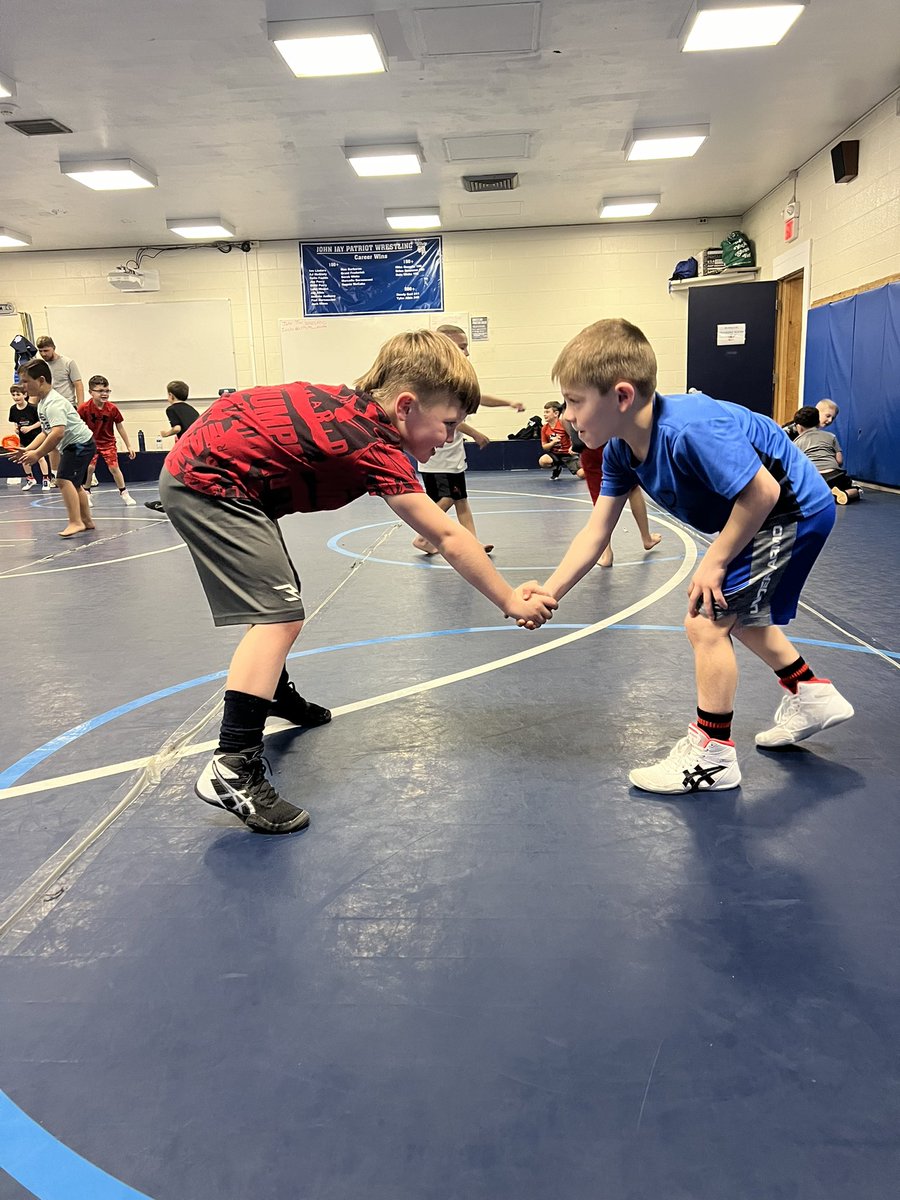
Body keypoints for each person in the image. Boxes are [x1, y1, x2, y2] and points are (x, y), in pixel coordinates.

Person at [158, 329, 557, 834]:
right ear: (407, 406)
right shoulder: (373, 445)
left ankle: (273, 692)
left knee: (277, 598)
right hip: (208, 485)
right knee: (279, 615)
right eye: (449, 424)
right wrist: (508, 598)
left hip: (223, 476)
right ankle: (232, 763)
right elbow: (446, 535)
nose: (451, 438)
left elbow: (252, 405)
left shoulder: (349, 407)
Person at [535, 317, 853, 795]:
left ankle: (713, 754)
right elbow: (598, 529)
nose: (567, 416)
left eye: (575, 402)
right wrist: (549, 592)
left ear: (622, 397)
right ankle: (811, 693)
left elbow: (763, 492)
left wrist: (715, 560)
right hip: (764, 511)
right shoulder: (621, 449)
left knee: (706, 619)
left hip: (792, 509)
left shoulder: (689, 429)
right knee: (732, 614)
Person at [13, 359, 96, 538]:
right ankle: (86, 521)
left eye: (26, 381)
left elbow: (57, 433)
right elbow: (45, 431)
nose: (23, 386)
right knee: (75, 484)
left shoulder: (53, 404)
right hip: (80, 444)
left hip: (79, 444)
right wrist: (29, 448)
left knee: (63, 480)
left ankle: (76, 522)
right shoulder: (43, 403)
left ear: (41, 380)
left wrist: (38, 454)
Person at [576, 431, 661, 568]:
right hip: (611, 441)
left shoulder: (572, 415)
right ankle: (646, 538)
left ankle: (606, 554)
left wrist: (576, 442)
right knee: (633, 488)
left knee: (599, 498)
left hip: (589, 445)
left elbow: (566, 420)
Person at [411, 420, 495, 555]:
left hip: (449, 459)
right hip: (441, 461)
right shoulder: (444, 402)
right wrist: (475, 434)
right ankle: (423, 537)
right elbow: (451, 419)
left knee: (461, 499)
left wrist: (509, 403)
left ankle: (472, 543)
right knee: (449, 498)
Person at [436, 325, 525, 413]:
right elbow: (446, 419)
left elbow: (476, 397)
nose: (466, 353)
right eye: (462, 348)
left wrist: (509, 403)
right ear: (444, 347)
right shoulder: (434, 377)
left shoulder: (452, 374)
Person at [77, 376, 137, 506]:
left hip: (108, 443)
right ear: (91, 392)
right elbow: (77, 425)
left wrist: (129, 445)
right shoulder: (84, 408)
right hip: (90, 442)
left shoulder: (112, 409)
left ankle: (124, 492)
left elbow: (120, 426)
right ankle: (86, 491)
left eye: (107, 391)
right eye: (100, 391)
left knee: (114, 467)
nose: (104, 394)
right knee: (90, 467)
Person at [144, 381, 200, 513]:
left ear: (171, 395)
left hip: (187, 447)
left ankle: (167, 503)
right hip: (199, 445)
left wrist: (165, 434)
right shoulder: (191, 409)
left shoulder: (171, 409)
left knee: (173, 473)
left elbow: (177, 428)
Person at [792, 406, 862, 504]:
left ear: (799, 427)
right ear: (817, 422)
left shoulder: (796, 442)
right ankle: (844, 494)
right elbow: (839, 461)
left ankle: (820, 495)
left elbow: (796, 465)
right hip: (835, 476)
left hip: (814, 478)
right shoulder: (831, 436)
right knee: (856, 489)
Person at [8, 383, 53, 490]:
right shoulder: (13, 409)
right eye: (13, 395)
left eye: (18, 394)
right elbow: (15, 421)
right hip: (23, 438)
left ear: (25, 395)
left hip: (36, 437)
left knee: (40, 457)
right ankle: (30, 479)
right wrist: (16, 428)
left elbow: (41, 422)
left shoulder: (33, 408)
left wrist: (30, 428)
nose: (16, 397)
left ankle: (46, 479)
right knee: (24, 458)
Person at [539, 401, 583, 479]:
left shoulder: (563, 424)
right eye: (544, 412)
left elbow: (574, 436)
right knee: (543, 461)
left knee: (582, 474)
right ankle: (557, 467)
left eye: (547, 412)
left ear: (556, 414)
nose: (544, 414)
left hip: (568, 454)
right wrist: (552, 443)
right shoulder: (544, 428)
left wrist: (573, 447)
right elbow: (544, 447)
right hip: (555, 454)